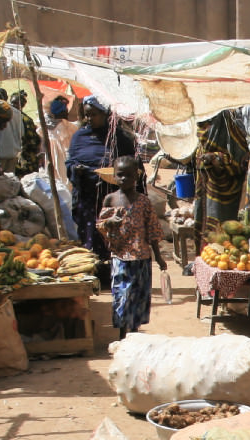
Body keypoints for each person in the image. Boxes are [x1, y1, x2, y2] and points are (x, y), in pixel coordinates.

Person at [67, 97, 136, 285]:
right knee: (90, 233)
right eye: (86, 115)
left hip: (113, 195)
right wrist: (76, 169)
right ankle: (94, 272)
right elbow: (70, 161)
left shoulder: (119, 138)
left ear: (105, 115)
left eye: (93, 114)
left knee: (113, 232)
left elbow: (131, 164)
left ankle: (115, 274)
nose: (89, 119)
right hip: (87, 195)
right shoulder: (79, 136)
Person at [98, 157, 167, 336]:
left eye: (129, 176)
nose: (124, 179)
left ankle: (134, 331)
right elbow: (100, 224)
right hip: (120, 256)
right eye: (120, 175)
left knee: (138, 295)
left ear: (136, 176)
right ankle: (122, 332)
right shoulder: (110, 199)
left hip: (141, 257)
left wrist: (159, 257)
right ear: (114, 176)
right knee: (122, 294)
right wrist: (109, 222)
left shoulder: (143, 201)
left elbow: (152, 230)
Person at [197, 109, 248, 226]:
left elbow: (239, 158)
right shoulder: (201, 122)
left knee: (224, 230)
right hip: (206, 183)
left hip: (224, 189)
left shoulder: (224, 121)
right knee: (204, 222)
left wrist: (216, 158)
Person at [46, 97, 77, 191]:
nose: (67, 113)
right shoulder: (66, 127)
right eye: (65, 111)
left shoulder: (47, 126)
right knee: (65, 179)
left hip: (54, 157)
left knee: (57, 180)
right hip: (63, 157)